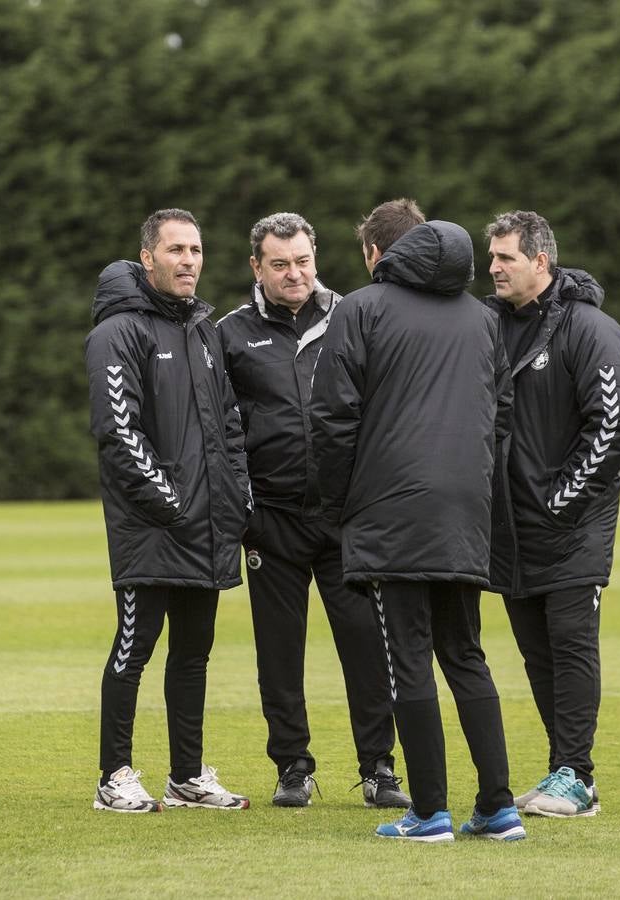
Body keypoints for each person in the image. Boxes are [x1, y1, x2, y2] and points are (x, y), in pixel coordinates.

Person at [310, 199, 522, 843]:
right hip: (463, 507)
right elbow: (501, 412)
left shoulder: (359, 309)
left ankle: (429, 812)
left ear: (380, 254)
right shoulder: (483, 318)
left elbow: (331, 418)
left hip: (390, 508)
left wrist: (338, 505)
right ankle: (497, 806)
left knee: (408, 657)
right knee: (465, 653)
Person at [217, 212, 408, 809]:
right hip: (270, 519)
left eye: (302, 261)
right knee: (278, 653)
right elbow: (221, 428)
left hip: (343, 518)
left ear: (316, 256)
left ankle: (379, 768)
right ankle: (292, 767)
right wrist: (242, 507)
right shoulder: (229, 332)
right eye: (279, 264)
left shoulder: (354, 314)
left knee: (366, 649)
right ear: (257, 267)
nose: (294, 274)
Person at [84, 208, 252, 813]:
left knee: (194, 652)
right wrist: (173, 503)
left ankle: (186, 776)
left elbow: (228, 422)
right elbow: (119, 432)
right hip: (151, 527)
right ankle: (115, 776)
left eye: (197, 249)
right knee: (135, 646)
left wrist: (235, 496)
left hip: (206, 524)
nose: (189, 261)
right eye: (176, 250)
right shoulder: (118, 332)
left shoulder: (203, 329)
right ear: (148, 258)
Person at [483, 210, 620, 818]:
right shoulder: (488, 325)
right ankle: (564, 773)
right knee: (536, 651)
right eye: (491, 257)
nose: (492, 268)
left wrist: (562, 500)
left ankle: (575, 773)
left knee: (571, 644)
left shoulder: (590, 328)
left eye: (505, 258)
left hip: (573, 523)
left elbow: (616, 424)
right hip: (509, 524)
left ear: (540, 262)